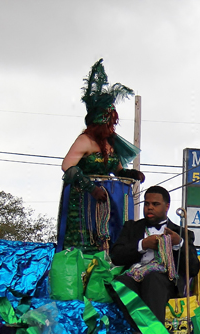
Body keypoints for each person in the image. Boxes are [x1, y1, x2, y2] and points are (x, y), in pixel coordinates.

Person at [57, 59, 145, 254]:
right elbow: (67, 166)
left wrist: (131, 174)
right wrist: (90, 188)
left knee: (110, 246)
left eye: (113, 124)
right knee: (85, 248)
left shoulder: (111, 143)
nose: (112, 128)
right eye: (109, 124)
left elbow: (117, 170)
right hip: (83, 205)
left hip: (108, 204)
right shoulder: (85, 140)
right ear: (98, 123)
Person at [110, 186, 200, 334]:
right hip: (134, 276)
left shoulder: (182, 233)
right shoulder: (131, 227)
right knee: (119, 283)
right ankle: (149, 329)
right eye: (147, 204)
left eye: (155, 204)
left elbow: (193, 268)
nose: (150, 207)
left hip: (164, 281)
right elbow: (116, 256)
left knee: (153, 278)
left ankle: (148, 330)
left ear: (167, 206)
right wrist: (142, 245)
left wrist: (179, 244)